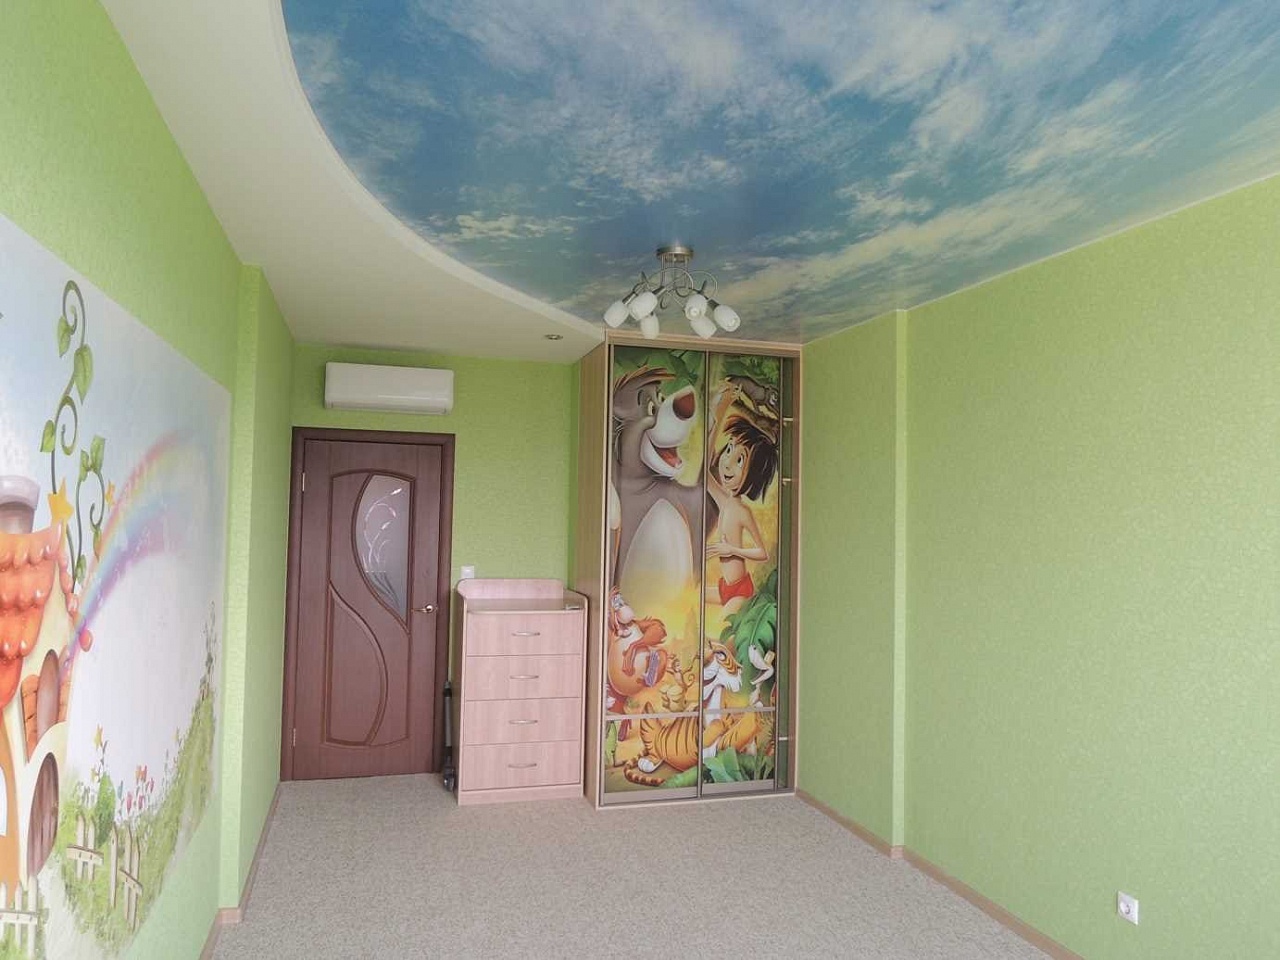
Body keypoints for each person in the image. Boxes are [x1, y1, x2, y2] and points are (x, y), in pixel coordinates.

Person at [705, 382, 778, 615]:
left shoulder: (741, 511)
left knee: (724, 633)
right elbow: (704, 474)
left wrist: (732, 550)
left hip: (740, 590)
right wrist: (717, 415)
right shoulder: (726, 501)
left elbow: (762, 553)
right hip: (725, 587)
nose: (727, 463)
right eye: (728, 450)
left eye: (739, 460)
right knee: (693, 594)